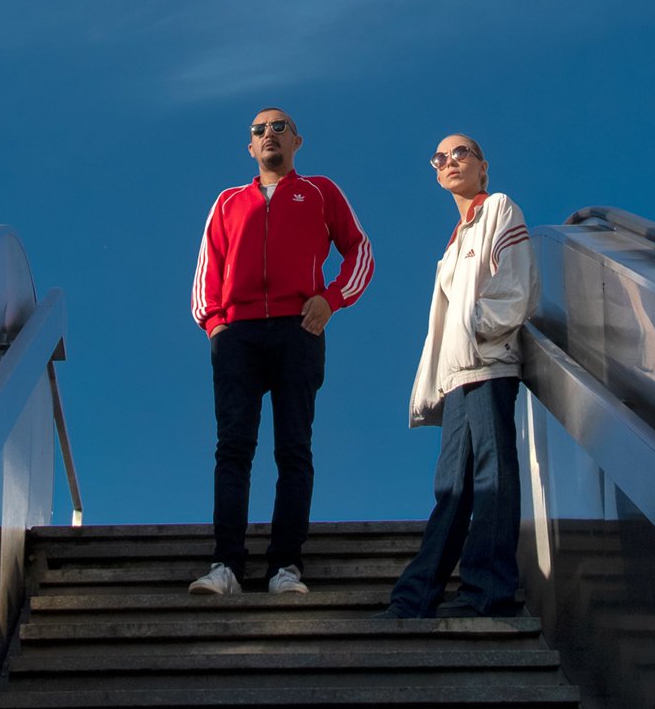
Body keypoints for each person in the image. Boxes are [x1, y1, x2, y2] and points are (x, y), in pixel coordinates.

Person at [189, 108, 374, 597]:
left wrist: (330, 299)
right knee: (233, 449)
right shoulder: (228, 201)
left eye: (279, 127)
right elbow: (208, 264)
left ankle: (284, 568)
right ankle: (225, 566)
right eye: (258, 130)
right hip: (238, 336)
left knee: (293, 449)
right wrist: (215, 323)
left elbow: (359, 250)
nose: (268, 134)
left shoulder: (318, 192)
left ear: (297, 141)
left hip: (299, 331)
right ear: (249, 148)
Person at [378, 134, 539, 619]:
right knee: (451, 487)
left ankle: (487, 593)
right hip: (457, 379)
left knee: (491, 476)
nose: (449, 161)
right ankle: (416, 596)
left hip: (489, 366)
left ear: (482, 167)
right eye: (440, 158)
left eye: (460, 153)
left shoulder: (499, 209)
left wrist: (475, 331)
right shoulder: (452, 245)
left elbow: (517, 286)